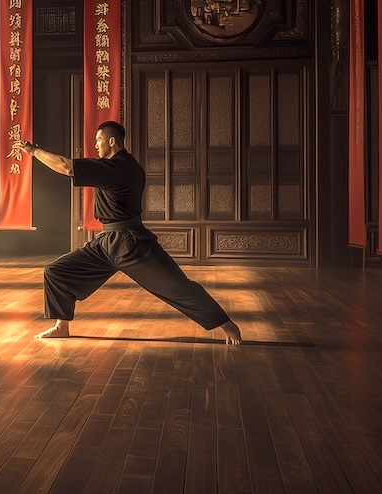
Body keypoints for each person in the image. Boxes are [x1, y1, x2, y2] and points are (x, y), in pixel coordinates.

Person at [17, 121, 242, 345]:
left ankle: (226, 324)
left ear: (112, 141)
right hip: (107, 242)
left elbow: (67, 167)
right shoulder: (119, 166)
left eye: (99, 140)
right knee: (57, 271)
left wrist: (34, 151)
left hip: (131, 244)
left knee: (177, 286)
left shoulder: (120, 168)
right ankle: (61, 326)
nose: (95, 145)